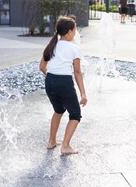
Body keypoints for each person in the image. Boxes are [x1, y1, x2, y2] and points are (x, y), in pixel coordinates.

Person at [39, 17, 87, 155]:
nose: (76, 33)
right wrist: (83, 94)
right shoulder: (74, 48)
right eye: (75, 30)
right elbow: (77, 72)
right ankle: (65, 146)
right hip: (64, 82)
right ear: (69, 32)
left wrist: (53, 78)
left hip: (50, 81)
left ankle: (51, 141)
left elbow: (42, 67)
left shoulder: (51, 46)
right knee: (75, 114)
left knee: (58, 110)